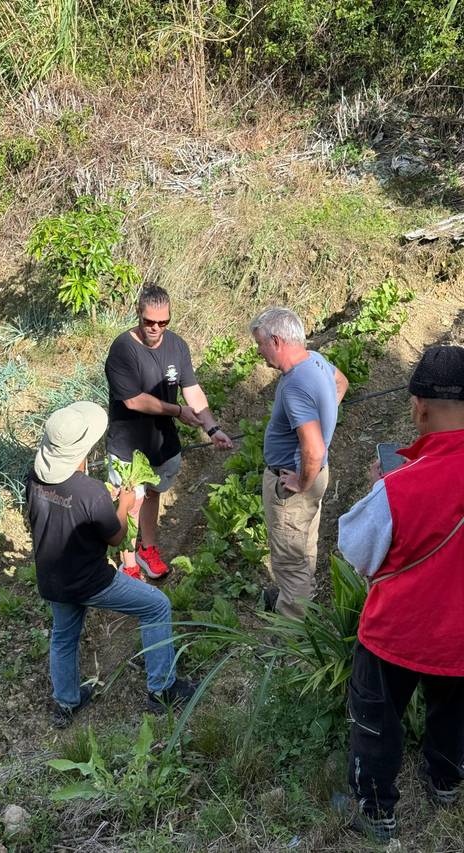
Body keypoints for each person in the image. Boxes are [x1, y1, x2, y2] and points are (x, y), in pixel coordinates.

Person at [337, 345, 464, 842]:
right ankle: (446, 780)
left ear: (419, 406)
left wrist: (377, 487)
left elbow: (358, 553)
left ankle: (374, 809)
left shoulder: (399, 486)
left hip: (399, 631)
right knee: (453, 710)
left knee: (377, 720)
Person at [26, 401, 196, 728]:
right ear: (82, 451)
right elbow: (116, 538)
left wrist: (108, 502)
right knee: (157, 606)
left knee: (63, 636)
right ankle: (162, 689)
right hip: (91, 581)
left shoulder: (34, 479)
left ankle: (66, 703)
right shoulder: (91, 492)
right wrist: (125, 504)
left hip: (52, 578)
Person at [105, 284, 233, 581]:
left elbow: (192, 390)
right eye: (150, 321)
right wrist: (177, 411)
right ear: (138, 314)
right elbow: (134, 400)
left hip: (162, 443)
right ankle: (129, 564)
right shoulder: (123, 349)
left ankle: (147, 549)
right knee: (131, 502)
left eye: (163, 322)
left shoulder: (177, 345)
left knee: (152, 495)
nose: (155, 328)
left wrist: (211, 428)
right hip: (128, 445)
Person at [250, 307, 348, 618]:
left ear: (276, 341)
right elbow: (341, 381)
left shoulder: (294, 385)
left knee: (289, 557)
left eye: (260, 344)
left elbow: (314, 450)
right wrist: (324, 415)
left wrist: (300, 483)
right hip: (316, 475)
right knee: (305, 545)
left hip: (297, 480)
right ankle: (306, 602)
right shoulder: (315, 361)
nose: (258, 352)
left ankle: (294, 633)